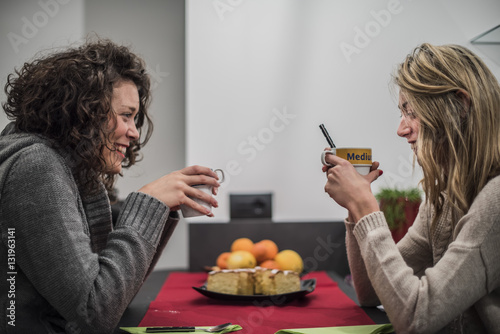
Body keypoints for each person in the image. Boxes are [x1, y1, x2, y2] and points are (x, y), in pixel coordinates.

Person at [0, 38, 221, 334]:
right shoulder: (36, 166)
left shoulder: (67, 166)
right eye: (126, 115)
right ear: (83, 111)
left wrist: (159, 210)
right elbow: (94, 314)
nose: (133, 133)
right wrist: (146, 204)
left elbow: (117, 296)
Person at [323, 43, 500, 333]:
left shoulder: (496, 199)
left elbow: (416, 317)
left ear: (461, 105)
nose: (401, 129)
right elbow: (369, 292)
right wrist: (356, 209)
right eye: (402, 113)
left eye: (412, 112)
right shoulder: (444, 195)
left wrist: (365, 206)